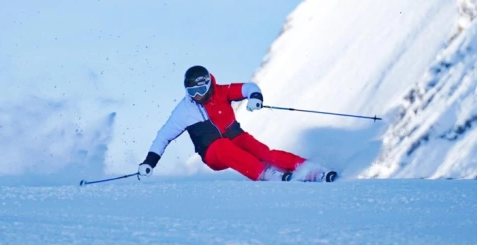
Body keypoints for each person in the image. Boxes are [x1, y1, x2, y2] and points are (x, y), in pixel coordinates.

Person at [137, 65, 336, 182]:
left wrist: (255, 97)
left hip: (236, 137)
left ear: (208, 84)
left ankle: (310, 169)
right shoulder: (184, 111)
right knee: (222, 146)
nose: (197, 97)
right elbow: (163, 136)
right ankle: (266, 174)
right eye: (191, 93)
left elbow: (249, 87)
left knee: (265, 153)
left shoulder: (222, 91)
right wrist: (149, 163)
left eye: (200, 90)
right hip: (213, 153)